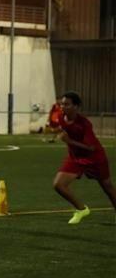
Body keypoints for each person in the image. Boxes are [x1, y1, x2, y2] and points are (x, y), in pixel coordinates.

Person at [51, 91, 115, 225]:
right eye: (62, 104)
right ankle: (81, 209)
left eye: (67, 104)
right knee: (58, 185)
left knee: (107, 187)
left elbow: (91, 148)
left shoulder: (84, 124)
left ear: (76, 106)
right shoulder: (62, 117)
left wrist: (69, 141)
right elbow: (61, 128)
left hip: (94, 158)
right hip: (75, 158)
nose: (63, 107)